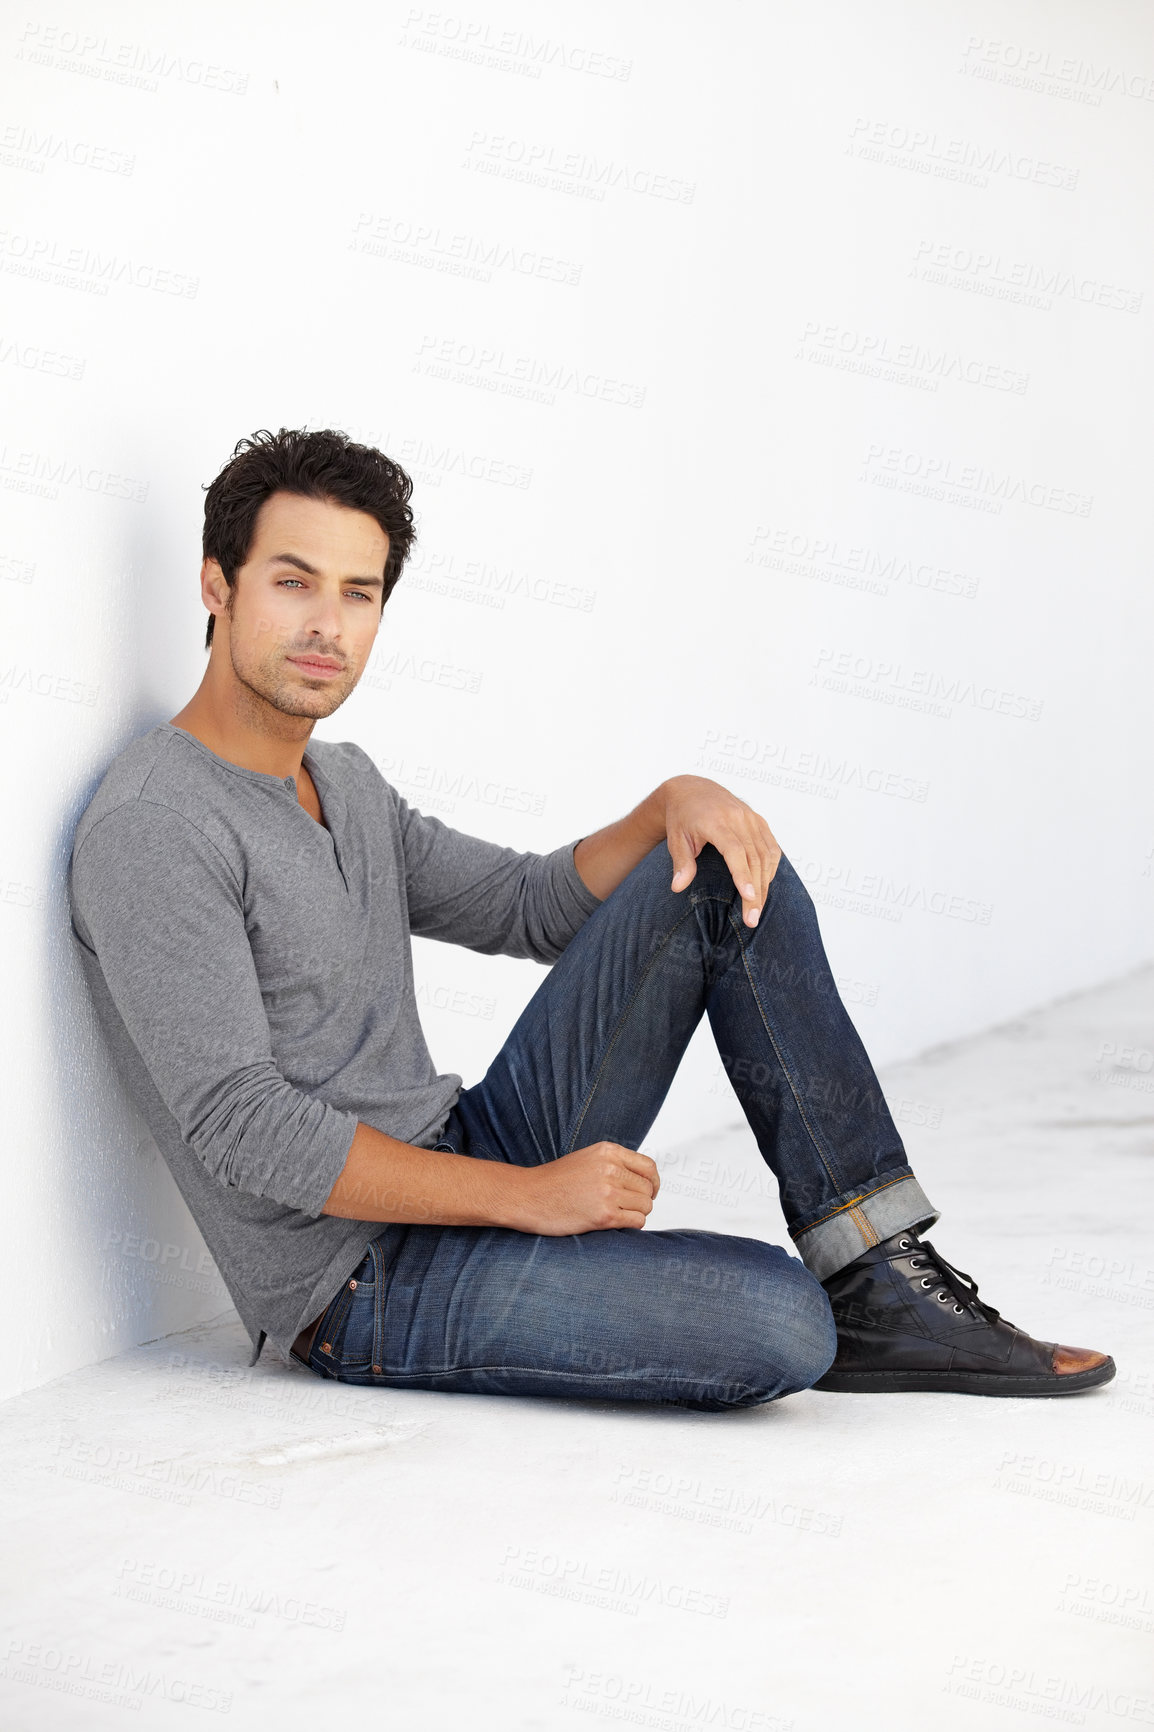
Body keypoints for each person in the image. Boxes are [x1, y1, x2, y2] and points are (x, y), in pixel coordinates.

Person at [67, 427, 1114, 1410]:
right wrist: (527, 1198)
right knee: (782, 1326)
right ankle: (830, 1304)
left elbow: (525, 905)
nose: (326, 627)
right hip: (359, 1281)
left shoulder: (342, 781)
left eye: (358, 592)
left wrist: (669, 803)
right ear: (217, 584)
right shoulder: (158, 825)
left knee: (716, 863)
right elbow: (243, 1126)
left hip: (459, 1150)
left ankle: (875, 1272)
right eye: (292, 582)